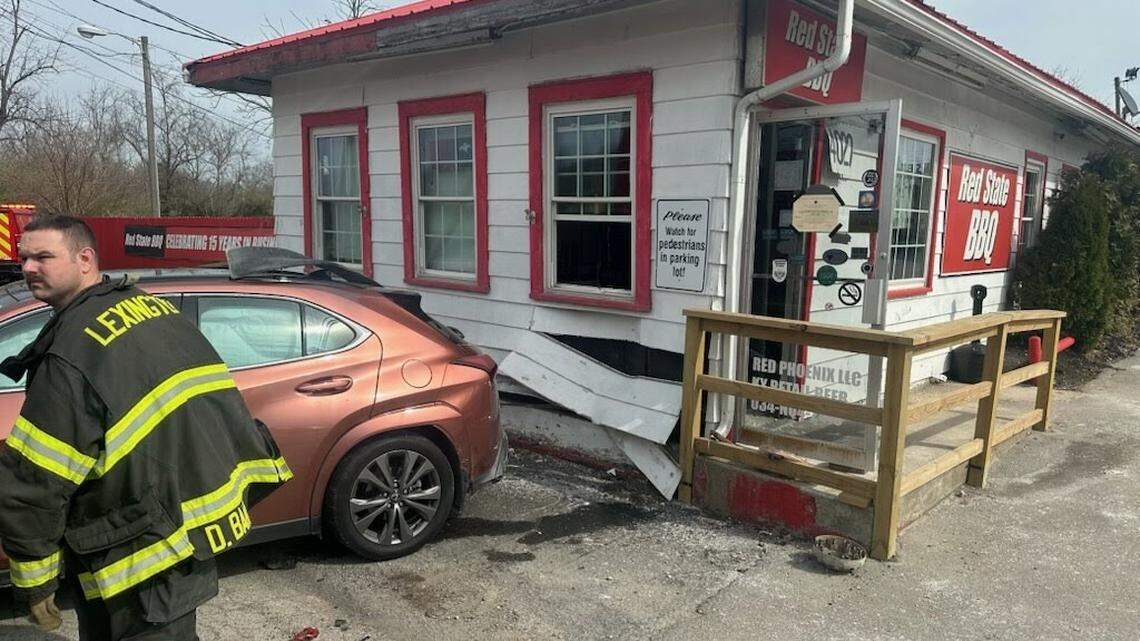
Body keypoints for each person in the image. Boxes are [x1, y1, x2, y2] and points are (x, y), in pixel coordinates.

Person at [0, 215, 292, 640]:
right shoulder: (146, 305)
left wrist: (35, 584)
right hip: (180, 531)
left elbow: (33, 482)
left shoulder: (71, 353)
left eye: (43, 257)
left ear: (85, 259)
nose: (27, 268)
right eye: (24, 257)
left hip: (136, 552)